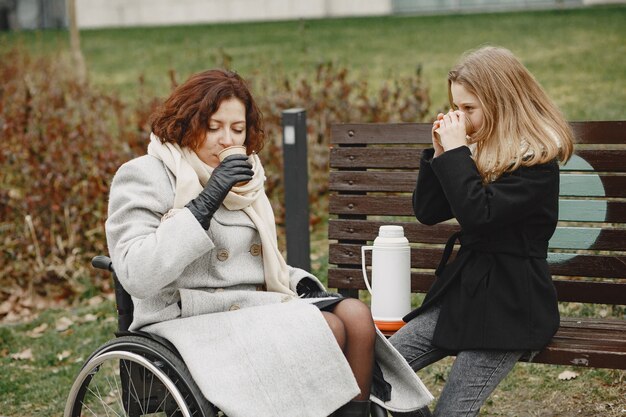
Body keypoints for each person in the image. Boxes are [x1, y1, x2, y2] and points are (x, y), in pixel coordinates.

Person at [105, 68, 431, 417]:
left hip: (253, 308)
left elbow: (258, 264)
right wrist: (206, 201)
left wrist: (297, 282)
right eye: (212, 127)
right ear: (186, 123)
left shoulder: (249, 180)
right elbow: (136, 272)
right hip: (185, 320)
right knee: (328, 328)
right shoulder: (145, 174)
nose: (227, 140)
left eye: (237, 130)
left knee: (355, 314)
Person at [389, 46, 574, 417]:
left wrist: (458, 155)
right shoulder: (476, 150)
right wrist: (442, 154)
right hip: (466, 295)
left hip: (511, 306)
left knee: (451, 411)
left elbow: (479, 215)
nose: (461, 118)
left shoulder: (536, 160)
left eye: (468, 108)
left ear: (501, 102)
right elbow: (428, 212)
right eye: (456, 107)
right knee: (379, 370)